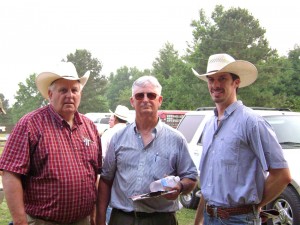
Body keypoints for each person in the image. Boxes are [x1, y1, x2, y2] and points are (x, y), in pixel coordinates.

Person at [192, 53, 291, 225]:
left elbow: (282, 174)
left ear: (236, 82)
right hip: (209, 217)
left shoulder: (252, 122)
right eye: (211, 79)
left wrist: (251, 207)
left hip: (239, 220)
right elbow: (208, 183)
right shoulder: (209, 125)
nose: (215, 85)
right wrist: (198, 221)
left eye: (222, 78)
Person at [0, 62, 102, 225]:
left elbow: (95, 174)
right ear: (50, 94)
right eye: (63, 90)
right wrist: (20, 222)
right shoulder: (30, 124)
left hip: (83, 221)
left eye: (74, 90)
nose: (70, 95)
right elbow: (10, 174)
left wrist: (95, 214)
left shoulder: (89, 127)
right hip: (43, 221)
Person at [96, 75, 198, 225]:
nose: (145, 99)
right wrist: (100, 219)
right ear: (132, 101)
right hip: (122, 218)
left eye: (151, 95)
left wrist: (180, 186)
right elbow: (105, 180)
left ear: (160, 100)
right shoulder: (118, 138)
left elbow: (191, 177)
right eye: (139, 95)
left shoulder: (176, 139)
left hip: (161, 219)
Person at [100, 104, 129, 224]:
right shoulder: (131, 133)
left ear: (115, 118)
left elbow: (101, 157)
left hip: (109, 180)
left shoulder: (108, 133)